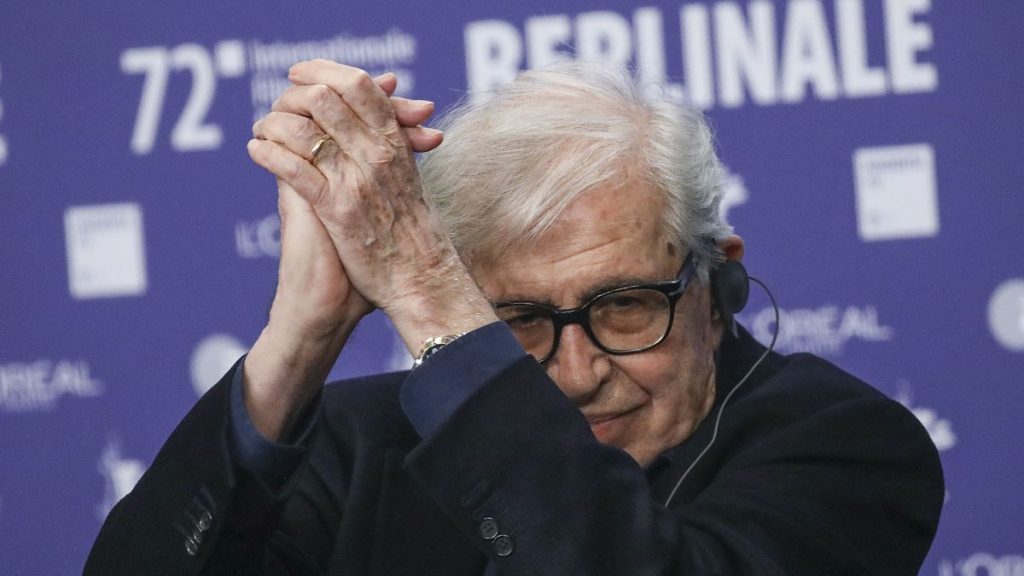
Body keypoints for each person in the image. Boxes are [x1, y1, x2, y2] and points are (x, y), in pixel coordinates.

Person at [85, 60, 943, 575]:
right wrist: (299, 338)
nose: (576, 374)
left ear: (716, 285)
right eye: (517, 320)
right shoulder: (356, 443)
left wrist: (425, 280)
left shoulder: (850, 445)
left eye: (623, 305)